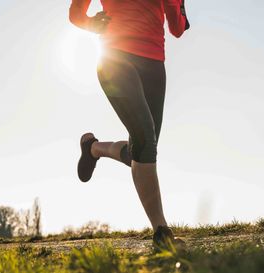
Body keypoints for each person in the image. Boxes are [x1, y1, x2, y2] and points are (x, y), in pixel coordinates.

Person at [69, 0, 190, 250]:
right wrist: (91, 23)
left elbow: (177, 28)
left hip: (154, 65)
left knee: (144, 149)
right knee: (145, 138)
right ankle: (161, 233)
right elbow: (75, 14)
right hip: (114, 59)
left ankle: (94, 148)